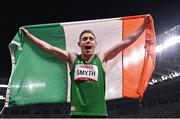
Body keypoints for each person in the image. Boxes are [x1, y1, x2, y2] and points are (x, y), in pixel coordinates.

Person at [20, 16, 151, 117]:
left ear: (95, 44)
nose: (88, 40)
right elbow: (48, 48)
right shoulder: (73, 58)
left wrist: (144, 25)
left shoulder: (101, 57)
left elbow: (126, 42)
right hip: (78, 114)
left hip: (99, 114)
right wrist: (28, 36)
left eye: (91, 39)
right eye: (85, 39)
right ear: (79, 44)